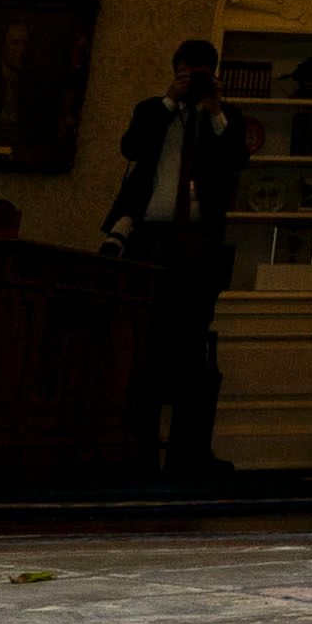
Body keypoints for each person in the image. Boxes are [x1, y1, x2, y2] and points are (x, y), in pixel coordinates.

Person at [103, 37, 246, 480]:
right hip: (150, 236)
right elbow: (131, 148)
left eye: (202, 72)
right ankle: (135, 452)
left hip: (199, 239)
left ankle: (188, 456)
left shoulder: (223, 119)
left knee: (190, 349)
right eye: (188, 72)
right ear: (176, 70)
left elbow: (237, 160)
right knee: (140, 346)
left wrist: (214, 107)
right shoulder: (153, 111)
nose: (194, 80)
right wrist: (170, 100)